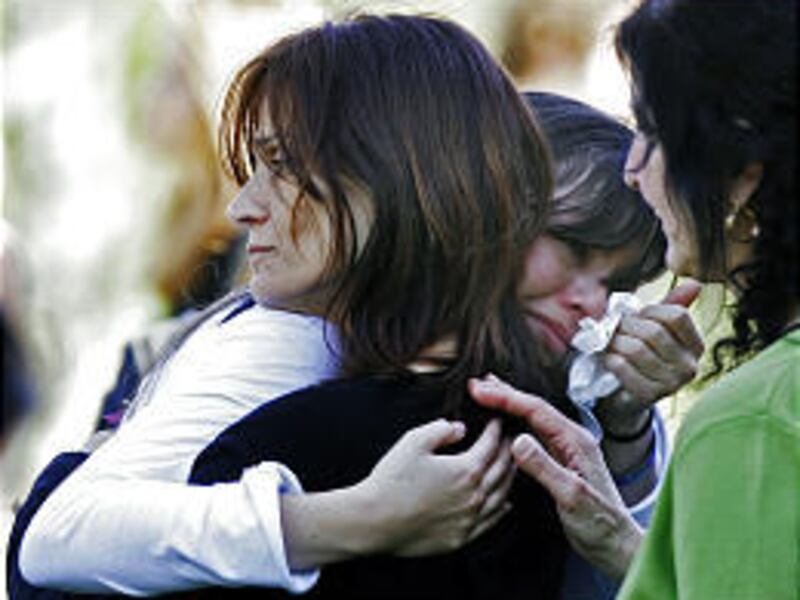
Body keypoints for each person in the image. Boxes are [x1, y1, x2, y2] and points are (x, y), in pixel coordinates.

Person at [13, 14, 550, 598]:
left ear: (395, 169)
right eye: (256, 168)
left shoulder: (514, 376)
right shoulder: (286, 336)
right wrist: (357, 518)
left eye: (284, 166)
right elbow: (56, 539)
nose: (243, 206)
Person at [471, 1, 799, 599]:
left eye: (653, 131)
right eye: (570, 247)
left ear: (742, 173)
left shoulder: (758, 417)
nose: (633, 168)